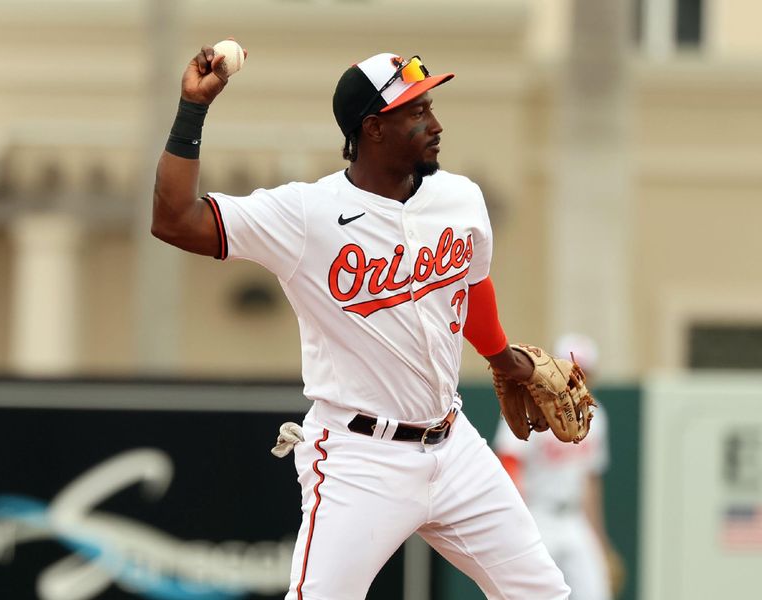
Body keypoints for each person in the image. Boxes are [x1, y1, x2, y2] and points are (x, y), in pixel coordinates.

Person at [152, 43, 570, 600]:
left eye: (430, 107)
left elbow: (469, 286)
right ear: (373, 128)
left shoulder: (459, 197)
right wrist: (192, 110)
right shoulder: (306, 214)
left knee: (545, 595)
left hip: (455, 446)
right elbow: (174, 219)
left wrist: (504, 358)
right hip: (359, 457)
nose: (435, 123)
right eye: (416, 112)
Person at [493, 334, 623, 600]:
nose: (577, 378)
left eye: (583, 372)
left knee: (596, 592)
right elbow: (508, 463)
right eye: (571, 370)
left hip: (574, 520)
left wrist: (600, 542)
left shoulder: (596, 417)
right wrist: (515, 523)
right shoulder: (531, 405)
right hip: (537, 515)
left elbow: (590, 482)